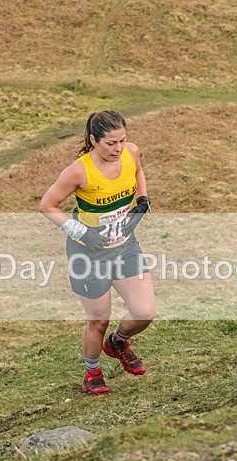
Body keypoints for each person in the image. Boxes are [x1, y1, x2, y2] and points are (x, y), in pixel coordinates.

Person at [40, 110, 156, 394]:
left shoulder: (131, 152)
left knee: (144, 313)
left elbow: (138, 171)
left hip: (124, 246)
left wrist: (142, 200)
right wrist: (82, 232)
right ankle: (92, 372)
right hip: (88, 254)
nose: (118, 149)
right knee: (99, 320)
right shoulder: (78, 171)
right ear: (94, 140)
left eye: (122, 141)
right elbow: (47, 206)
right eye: (110, 143)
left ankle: (117, 343)